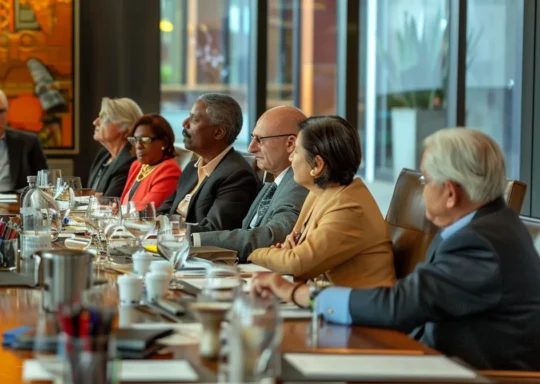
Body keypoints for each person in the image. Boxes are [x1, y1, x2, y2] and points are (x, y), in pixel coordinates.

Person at [252, 128, 540, 371]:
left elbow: (403, 304)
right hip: (430, 359)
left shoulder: (481, 242)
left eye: (426, 181)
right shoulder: (480, 226)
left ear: (450, 193)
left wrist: (298, 294)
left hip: (467, 373)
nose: (423, 190)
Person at [247, 116, 395, 288]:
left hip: (359, 309)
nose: (290, 159)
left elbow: (296, 263)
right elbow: (292, 252)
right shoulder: (319, 193)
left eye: (295, 153)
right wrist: (285, 253)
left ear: (317, 165)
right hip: (325, 298)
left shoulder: (348, 207)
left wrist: (255, 253)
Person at [193, 106, 309, 262]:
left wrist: (195, 240)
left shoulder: (299, 183)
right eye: (252, 138)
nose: (251, 148)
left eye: (259, 140)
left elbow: (273, 236)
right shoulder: (272, 181)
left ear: (290, 144)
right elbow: (246, 230)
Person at [157, 94, 260, 232]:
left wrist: (166, 227)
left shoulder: (237, 176)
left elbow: (214, 230)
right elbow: (162, 213)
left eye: (194, 119)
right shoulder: (191, 168)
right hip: (171, 244)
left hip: (196, 251)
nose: (185, 123)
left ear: (218, 132)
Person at [120, 114, 181, 208]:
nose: (138, 146)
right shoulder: (137, 165)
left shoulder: (169, 171)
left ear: (164, 142)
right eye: (135, 140)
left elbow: (145, 213)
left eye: (145, 140)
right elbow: (122, 206)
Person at [87, 97, 142, 198]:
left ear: (125, 127)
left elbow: (109, 201)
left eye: (103, 118)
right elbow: (91, 195)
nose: (95, 122)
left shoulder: (129, 161)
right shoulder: (104, 154)